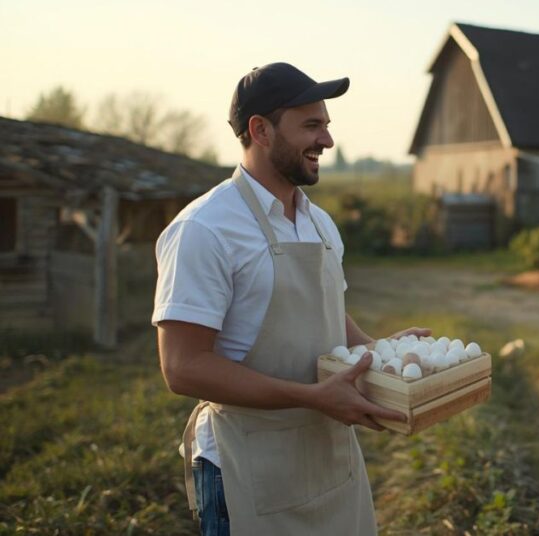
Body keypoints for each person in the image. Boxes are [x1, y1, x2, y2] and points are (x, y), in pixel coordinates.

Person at [153, 62, 428, 535]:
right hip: (248, 466)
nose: (327, 141)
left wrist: (377, 352)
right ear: (260, 130)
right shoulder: (205, 229)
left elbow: (326, 315)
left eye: (326, 125)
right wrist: (311, 397)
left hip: (329, 456)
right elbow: (183, 367)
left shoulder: (319, 223)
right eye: (311, 126)